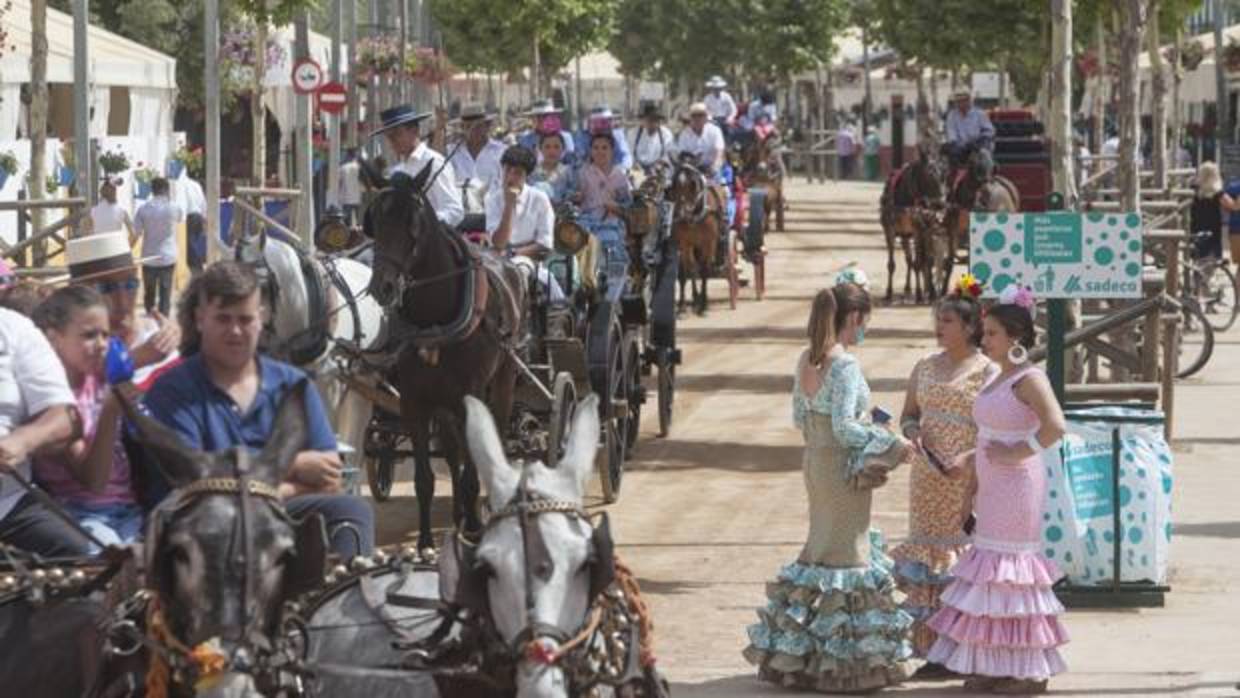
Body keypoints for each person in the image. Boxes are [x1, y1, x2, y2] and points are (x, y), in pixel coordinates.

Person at [744, 280, 915, 693]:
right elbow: (845, 428)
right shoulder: (846, 365)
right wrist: (892, 442)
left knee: (821, 549)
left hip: (814, 463)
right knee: (846, 554)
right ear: (854, 319)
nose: (864, 329)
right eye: (864, 321)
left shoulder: (807, 358)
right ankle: (843, 665)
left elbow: (801, 419)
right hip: (840, 468)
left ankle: (797, 656)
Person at [143, 261, 375, 559]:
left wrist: (263, 490)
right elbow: (198, 482)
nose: (236, 331)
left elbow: (329, 478)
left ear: (262, 318)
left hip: (281, 513)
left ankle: (342, 603)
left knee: (351, 511)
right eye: (223, 319)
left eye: (245, 318)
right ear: (200, 319)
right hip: (201, 527)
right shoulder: (172, 392)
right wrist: (292, 464)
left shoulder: (294, 386)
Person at [926, 285, 1068, 695]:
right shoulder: (996, 375)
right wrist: (970, 478)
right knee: (991, 575)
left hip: (1018, 484)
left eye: (991, 333)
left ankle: (1028, 671)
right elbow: (989, 434)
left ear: (1015, 338)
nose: (983, 340)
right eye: (984, 332)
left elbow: (1055, 426)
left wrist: (1019, 451)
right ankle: (996, 663)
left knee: (1011, 576)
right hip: (991, 485)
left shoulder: (1029, 378)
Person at [890, 276, 995, 673]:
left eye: (948, 321)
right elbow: (908, 415)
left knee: (960, 555)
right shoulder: (924, 366)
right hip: (926, 477)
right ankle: (931, 649)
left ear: (970, 327)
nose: (940, 327)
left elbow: (993, 428)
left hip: (964, 480)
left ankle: (961, 649)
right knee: (927, 559)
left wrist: (967, 459)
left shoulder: (986, 371)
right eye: (938, 320)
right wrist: (914, 434)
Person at [31, 286, 143, 552]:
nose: (102, 344)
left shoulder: (99, 379)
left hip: (128, 510)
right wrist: (110, 411)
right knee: (114, 572)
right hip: (80, 514)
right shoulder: (51, 399)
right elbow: (93, 480)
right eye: (89, 335)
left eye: (106, 335)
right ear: (54, 337)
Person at [0, 307, 87, 557]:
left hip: (9, 508)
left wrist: (23, 440)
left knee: (81, 560)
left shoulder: (14, 329)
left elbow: (64, 418)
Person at [64, 232, 180, 388]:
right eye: (106, 288)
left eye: (130, 285)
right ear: (76, 293)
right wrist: (134, 359)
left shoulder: (159, 337)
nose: (122, 301)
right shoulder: (66, 351)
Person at [485, 146, 564, 302]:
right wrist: (509, 205)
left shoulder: (539, 199)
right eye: (507, 170)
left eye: (517, 173)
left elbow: (544, 245)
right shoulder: (493, 199)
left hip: (528, 261)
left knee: (518, 269)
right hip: (497, 260)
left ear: (526, 176)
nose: (510, 177)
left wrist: (514, 253)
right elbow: (498, 242)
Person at [375, 104, 464, 227]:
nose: (392, 140)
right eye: (388, 136)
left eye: (397, 134)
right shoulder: (396, 171)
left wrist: (422, 222)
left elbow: (455, 211)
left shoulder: (434, 163)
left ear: (414, 131)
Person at [575, 133, 633, 302]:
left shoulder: (620, 176)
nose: (600, 152)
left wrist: (615, 207)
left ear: (612, 151)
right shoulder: (582, 174)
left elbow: (628, 207)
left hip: (612, 221)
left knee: (612, 244)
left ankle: (616, 288)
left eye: (604, 148)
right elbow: (571, 200)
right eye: (596, 148)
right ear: (590, 151)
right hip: (586, 221)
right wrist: (575, 197)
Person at [133, 177, 183, 318]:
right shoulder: (174, 207)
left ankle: (150, 320)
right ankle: (163, 322)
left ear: (152, 190)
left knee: (149, 293)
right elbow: (180, 218)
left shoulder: (143, 209)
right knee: (165, 294)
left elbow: (136, 233)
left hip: (149, 256)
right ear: (167, 190)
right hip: (168, 256)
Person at [448, 103, 506, 215]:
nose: (473, 131)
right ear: (462, 128)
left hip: (493, 212)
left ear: (487, 126)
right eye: (468, 127)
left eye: (478, 126)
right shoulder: (452, 152)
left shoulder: (501, 151)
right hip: (461, 213)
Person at [1190, 161, 1237, 261]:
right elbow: (1232, 205)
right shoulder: (1217, 192)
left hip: (1195, 226)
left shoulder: (1193, 189)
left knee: (1198, 258)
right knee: (1212, 260)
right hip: (1213, 228)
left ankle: (1197, 275)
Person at [518, 99, 577, 167]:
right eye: (537, 116)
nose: (540, 119)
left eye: (544, 116)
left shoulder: (565, 137)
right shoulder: (525, 140)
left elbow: (570, 161)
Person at [943, 92, 994, 169]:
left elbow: (989, 131)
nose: (961, 103)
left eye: (964, 100)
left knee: (983, 155)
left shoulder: (980, 114)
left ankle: (987, 176)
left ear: (970, 101)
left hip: (978, 145)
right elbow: (951, 132)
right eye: (958, 101)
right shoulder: (952, 115)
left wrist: (981, 139)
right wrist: (954, 143)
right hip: (960, 147)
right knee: (948, 156)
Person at [676, 102, 727, 178]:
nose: (697, 118)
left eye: (700, 115)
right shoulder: (684, 134)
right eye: (694, 115)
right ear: (690, 118)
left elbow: (719, 152)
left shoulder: (715, 130)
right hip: (691, 169)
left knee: (721, 188)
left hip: (711, 168)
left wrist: (714, 167)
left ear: (706, 117)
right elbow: (681, 154)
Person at [574, 106, 633, 172]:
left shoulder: (617, 135)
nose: (599, 127)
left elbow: (627, 159)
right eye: (595, 123)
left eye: (604, 123)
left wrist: (616, 170)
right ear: (589, 123)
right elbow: (579, 159)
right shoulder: (583, 137)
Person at [530, 132, 578, 205]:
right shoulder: (532, 171)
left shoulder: (568, 171)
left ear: (563, 149)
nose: (552, 151)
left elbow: (574, 192)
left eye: (556, 147)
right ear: (540, 148)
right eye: (547, 147)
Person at [630, 102, 675, 174]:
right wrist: (634, 164)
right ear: (643, 120)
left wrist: (660, 164)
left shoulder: (666, 134)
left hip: (658, 171)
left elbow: (669, 154)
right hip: (638, 170)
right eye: (649, 119)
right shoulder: (633, 133)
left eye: (656, 120)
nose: (653, 123)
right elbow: (630, 154)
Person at [180, 173, 207, 274]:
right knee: (192, 243)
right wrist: (204, 217)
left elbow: (182, 203)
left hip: (189, 216)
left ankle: (197, 267)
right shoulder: (196, 184)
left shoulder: (181, 185)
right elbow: (203, 201)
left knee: (189, 244)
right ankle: (195, 268)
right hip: (198, 215)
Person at [339, 148, 363, 226]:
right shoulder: (359, 167)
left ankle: (348, 236)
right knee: (359, 221)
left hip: (346, 197)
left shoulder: (343, 168)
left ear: (348, 155)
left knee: (346, 221)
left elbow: (339, 182)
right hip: (357, 197)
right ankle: (358, 235)